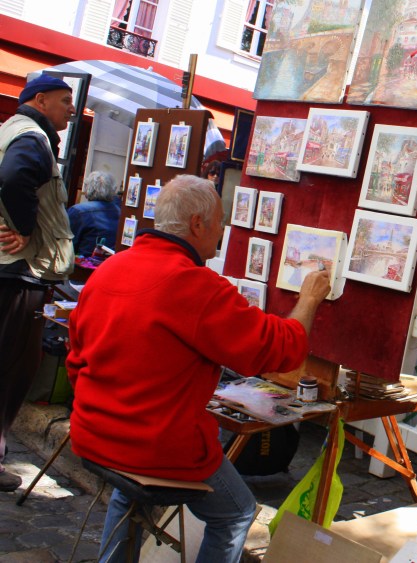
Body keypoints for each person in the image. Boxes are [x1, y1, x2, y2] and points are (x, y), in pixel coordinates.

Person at [66, 175, 331, 562]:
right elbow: (281, 350)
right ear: (197, 225)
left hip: (94, 434)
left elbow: (77, 361)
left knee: (129, 488)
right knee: (237, 513)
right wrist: (308, 299)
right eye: (220, 222)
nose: (222, 232)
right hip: (157, 448)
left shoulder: (111, 268)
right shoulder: (192, 284)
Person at [0, 73, 75, 492]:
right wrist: (25, 228)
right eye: (64, 100)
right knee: (11, 370)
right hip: (17, 274)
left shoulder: (10, 130)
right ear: (40, 100)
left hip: (9, 269)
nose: (71, 108)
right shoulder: (32, 137)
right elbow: (15, 177)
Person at [67, 170, 121, 256]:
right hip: (110, 263)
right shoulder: (120, 211)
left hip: (85, 264)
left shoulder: (78, 211)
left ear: (88, 188)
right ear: (112, 190)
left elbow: (66, 245)